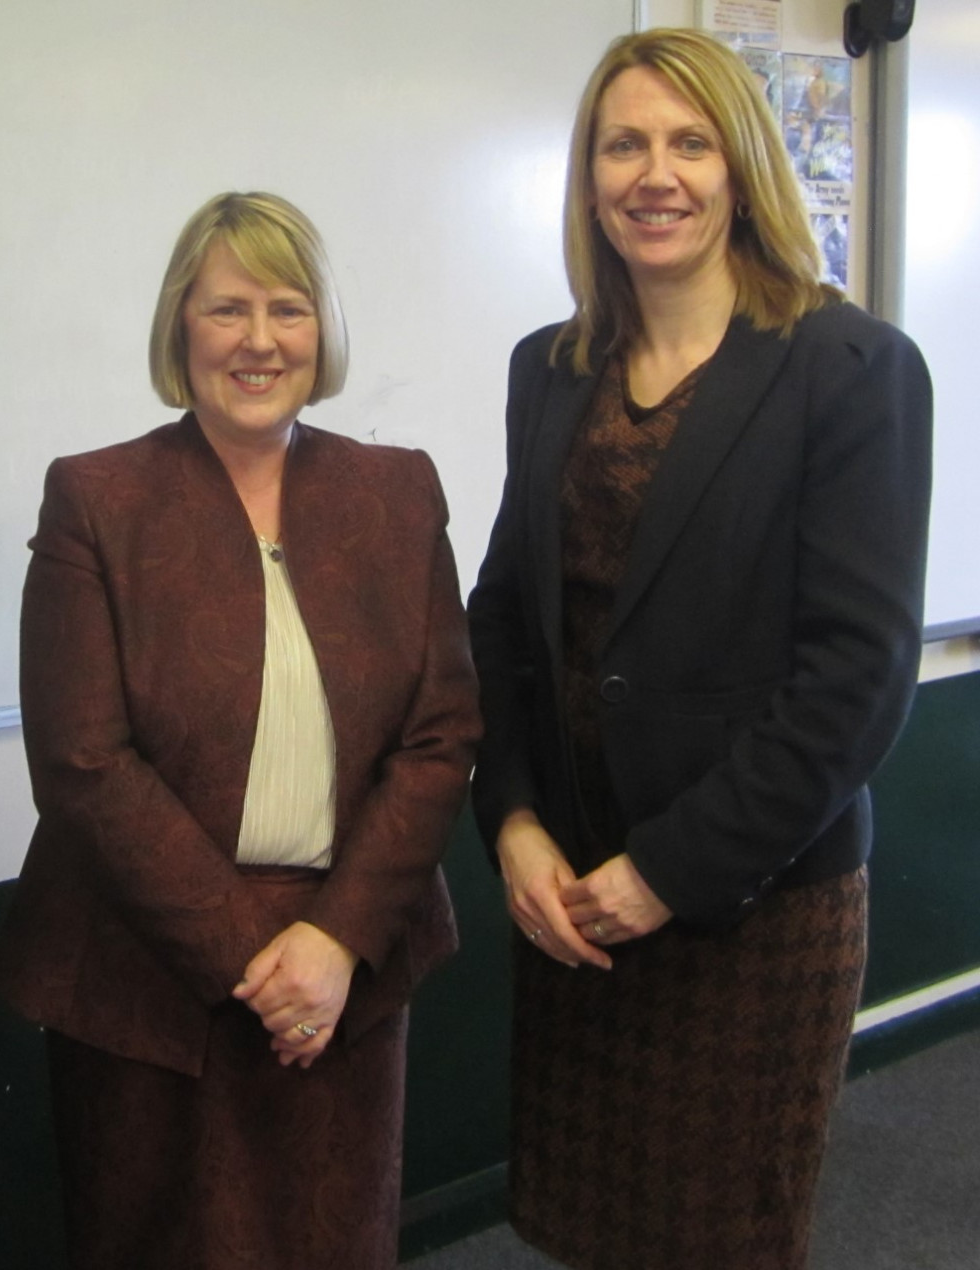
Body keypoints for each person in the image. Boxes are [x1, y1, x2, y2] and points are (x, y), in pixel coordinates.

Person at [468, 29, 930, 1270]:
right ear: (588, 175)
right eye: (623, 143)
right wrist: (511, 819)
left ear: (742, 167)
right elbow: (508, 613)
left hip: (749, 899)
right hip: (571, 891)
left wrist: (664, 870)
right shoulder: (550, 367)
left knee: (717, 1234)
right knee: (588, 1222)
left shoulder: (848, 367)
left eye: (689, 141)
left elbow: (858, 676)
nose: (653, 174)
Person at [0, 191, 480, 1270]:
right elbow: (81, 762)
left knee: (333, 1241)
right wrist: (256, 959)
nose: (259, 340)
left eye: (288, 308)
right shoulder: (98, 497)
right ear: (180, 327)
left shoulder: (396, 494)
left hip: (348, 963)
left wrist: (333, 942)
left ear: (323, 330)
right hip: (144, 980)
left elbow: (441, 733)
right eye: (227, 310)